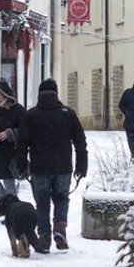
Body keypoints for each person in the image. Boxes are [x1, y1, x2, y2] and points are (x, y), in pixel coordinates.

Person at [16, 79, 88, 251]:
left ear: (40, 93)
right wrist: (81, 165)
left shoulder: (31, 115)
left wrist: (21, 166)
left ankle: (44, 236)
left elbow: (21, 143)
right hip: (63, 166)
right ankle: (60, 228)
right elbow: (80, 141)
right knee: (62, 198)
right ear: (56, 93)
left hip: (39, 167)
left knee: (42, 202)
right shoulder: (67, 113)